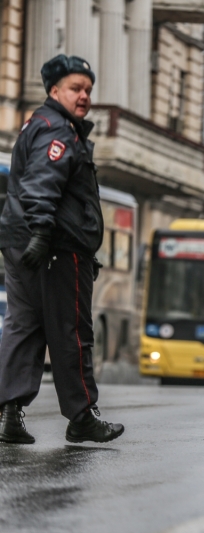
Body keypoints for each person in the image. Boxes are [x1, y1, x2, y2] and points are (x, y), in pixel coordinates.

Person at [0, 55, 124, 444]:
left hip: (25, 245)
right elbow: (42, 185)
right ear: (54, 90)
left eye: (88, 89)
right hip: (53, 249)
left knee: (25, 327)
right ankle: (82, 416)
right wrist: (44, 233)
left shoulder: (38, 125)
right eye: (75, 88)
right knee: (72, 331)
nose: (84, 95)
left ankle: (10, 414)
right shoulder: (58, 132)